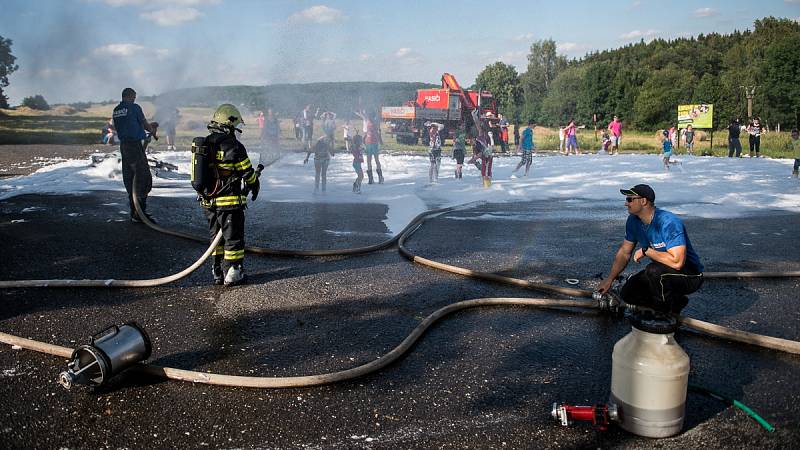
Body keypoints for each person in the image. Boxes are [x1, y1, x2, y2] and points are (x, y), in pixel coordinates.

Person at [596, 184, 704, 314]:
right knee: (628, 293)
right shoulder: (633, 221)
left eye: (630, 199)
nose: (626, 203)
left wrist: (646, 250)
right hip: (663, 272)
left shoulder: (669, 222)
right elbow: (624, 252)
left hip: (689, 275)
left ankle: (663, 316)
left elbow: (677, 262)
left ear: (643, 201)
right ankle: (675, 302)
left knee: (653, 270)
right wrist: (609, 279)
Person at [199, 104, 260, 286]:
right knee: (233, 238)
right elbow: (247, 173)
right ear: (230, 124)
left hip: (209, 202)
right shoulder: (234, 146)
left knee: (215, 237)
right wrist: (255, 184)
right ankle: (233, 271)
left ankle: (217, 271)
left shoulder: (206, 143)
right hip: (229, 202)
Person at [112, 87, 157, 223]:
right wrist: (151, 129)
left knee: (130, 177)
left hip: (124, 146)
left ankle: (134, 212)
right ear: (130, 96)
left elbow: (127, 124)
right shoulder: (134, 107)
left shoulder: (116, 110)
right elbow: (144, 123)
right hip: (134, 145)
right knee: (142, 177)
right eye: (134, 97)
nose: (134, 99)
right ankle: (140, 212)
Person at [357, 110, 384, 184]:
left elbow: (366, 133)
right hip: (374, 142)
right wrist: (380, 141)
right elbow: (378, 133)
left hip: (368, 142)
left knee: (369, 160)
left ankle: (371, 179)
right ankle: (380, 178)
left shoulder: (367, 122)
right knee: (376, 160)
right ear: (374, 116)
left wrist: (363, 140)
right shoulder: (375, 123)